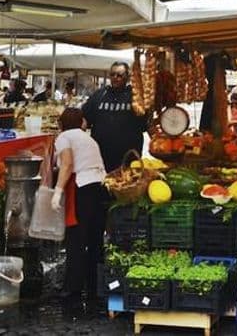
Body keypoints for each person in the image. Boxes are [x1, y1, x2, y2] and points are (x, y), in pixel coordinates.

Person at [51, 107, 108, 309]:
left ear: (61, 124)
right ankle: (95, 287)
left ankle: (71, 289)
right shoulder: (88, 138)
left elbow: (67, 164)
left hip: (82, 188)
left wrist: (57, 191)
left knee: (76, 238)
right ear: (81, 122)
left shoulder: (64, 137)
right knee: (94, 239)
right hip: (100, 188)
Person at [81, 62, 148, 172]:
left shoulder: (136, 96)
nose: (115, 78)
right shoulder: (99, 95)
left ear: (127, 76)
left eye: (119, 75)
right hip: (101, 157)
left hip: (128, 158)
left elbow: (144, 125)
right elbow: (85, 118)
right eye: (112, 74)